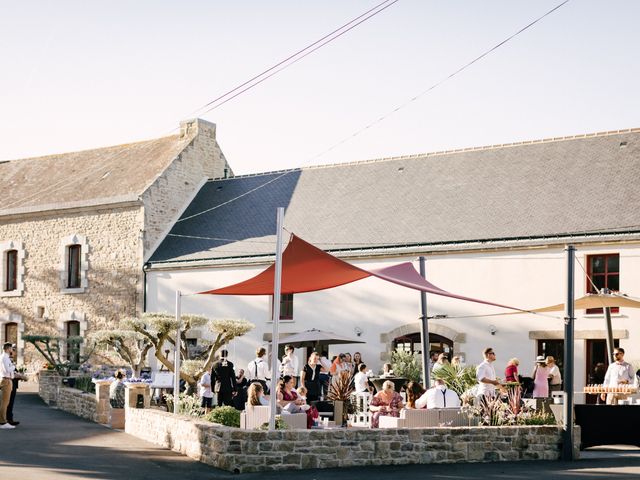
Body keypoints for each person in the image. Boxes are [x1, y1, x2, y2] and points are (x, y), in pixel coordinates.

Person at [6, 345, 25, 426]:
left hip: (12, 383)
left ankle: (9, 419)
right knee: (8, 403)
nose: (14, 352)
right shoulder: (7, 360)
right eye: (13, 350)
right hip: (9, 384)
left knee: (10, 403)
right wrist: (21, 376)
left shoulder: (10, 360)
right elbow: (10, 372)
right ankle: (8, 420)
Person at [0, 343, 16, 429]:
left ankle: (3, 421)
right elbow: (8, 369)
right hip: (6, 380)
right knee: (4, 403)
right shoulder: (5, 357)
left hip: (6, 380)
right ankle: (2, 422)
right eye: (11, 348)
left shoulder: (4, 357)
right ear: (8, 348)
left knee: (5, 402)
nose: (12, 349)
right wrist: (13, 366)